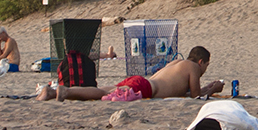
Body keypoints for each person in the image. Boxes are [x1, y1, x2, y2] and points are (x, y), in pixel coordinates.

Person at [38, 45, 223, 101]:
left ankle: (57, 92)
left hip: (141, 82)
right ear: (201, 62)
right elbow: (196, 97)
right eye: (206, 65)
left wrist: (207, 88)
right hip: (145, 87)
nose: (205, 69)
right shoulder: (193, 68)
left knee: (104, 90)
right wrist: (214, 88)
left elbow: (184, 91)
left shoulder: (178, 63)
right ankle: (64, 91)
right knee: (103, 93)